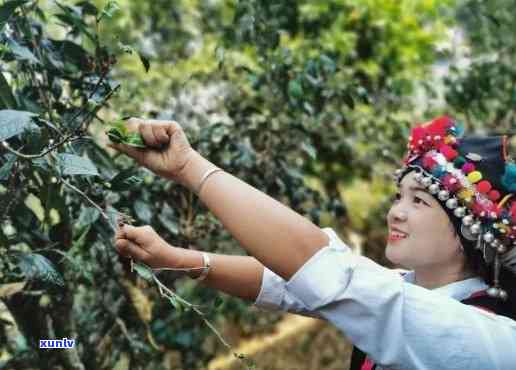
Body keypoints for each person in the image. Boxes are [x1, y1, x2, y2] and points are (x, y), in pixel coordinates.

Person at [109, 116, 516, 370]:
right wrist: (172, 258)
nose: (396, 212)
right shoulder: (409, 287)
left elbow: (328, 272)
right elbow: (286, 285)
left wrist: (188, 167)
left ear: (469, 233)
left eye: (419, 201)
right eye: (398, 197)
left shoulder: (488, 337)